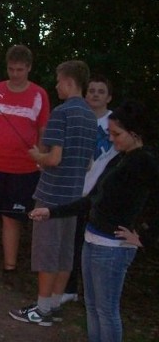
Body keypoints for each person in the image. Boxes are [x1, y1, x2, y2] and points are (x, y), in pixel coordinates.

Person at [29, 101, 159, 342]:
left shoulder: (146, 161)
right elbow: (92, 199)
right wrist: (51, 211)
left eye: (117, 134)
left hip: (113, 248)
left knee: (106, 310)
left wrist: (145, 238)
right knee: (93, 307)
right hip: (92, 239)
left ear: (135, 133)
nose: (112, 139)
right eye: (111, 134)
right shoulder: (121, 158)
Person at [9, 60, 97, 326]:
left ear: (69, 82)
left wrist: (38, 156)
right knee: (64, 252)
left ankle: (42, 309)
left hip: (51, 195)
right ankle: (54, 305)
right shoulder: (91, 116)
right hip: (74, 196)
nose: (56, 85)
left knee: (47, 251)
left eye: (59, 81)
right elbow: (89, 162)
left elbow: (55, 158)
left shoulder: (61, 113)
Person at [0, 45, 50, 282]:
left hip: (24, 169)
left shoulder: (39, 95)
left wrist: (41, 158)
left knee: (13, 218)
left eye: (20, 69)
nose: (15, 74)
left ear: (28, 68)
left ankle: (10, 269)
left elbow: (43, 129)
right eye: (11, 69)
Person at [63, 75, 120, 304]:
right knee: (74, 241)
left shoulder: (114, 123)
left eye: (101, 91)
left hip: (102, 191)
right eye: (92, 91)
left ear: (109, 97)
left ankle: (95, 294)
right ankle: (69, 288)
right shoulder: (80, 118)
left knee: (96, 244)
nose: (95, 94)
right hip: (78, 188)